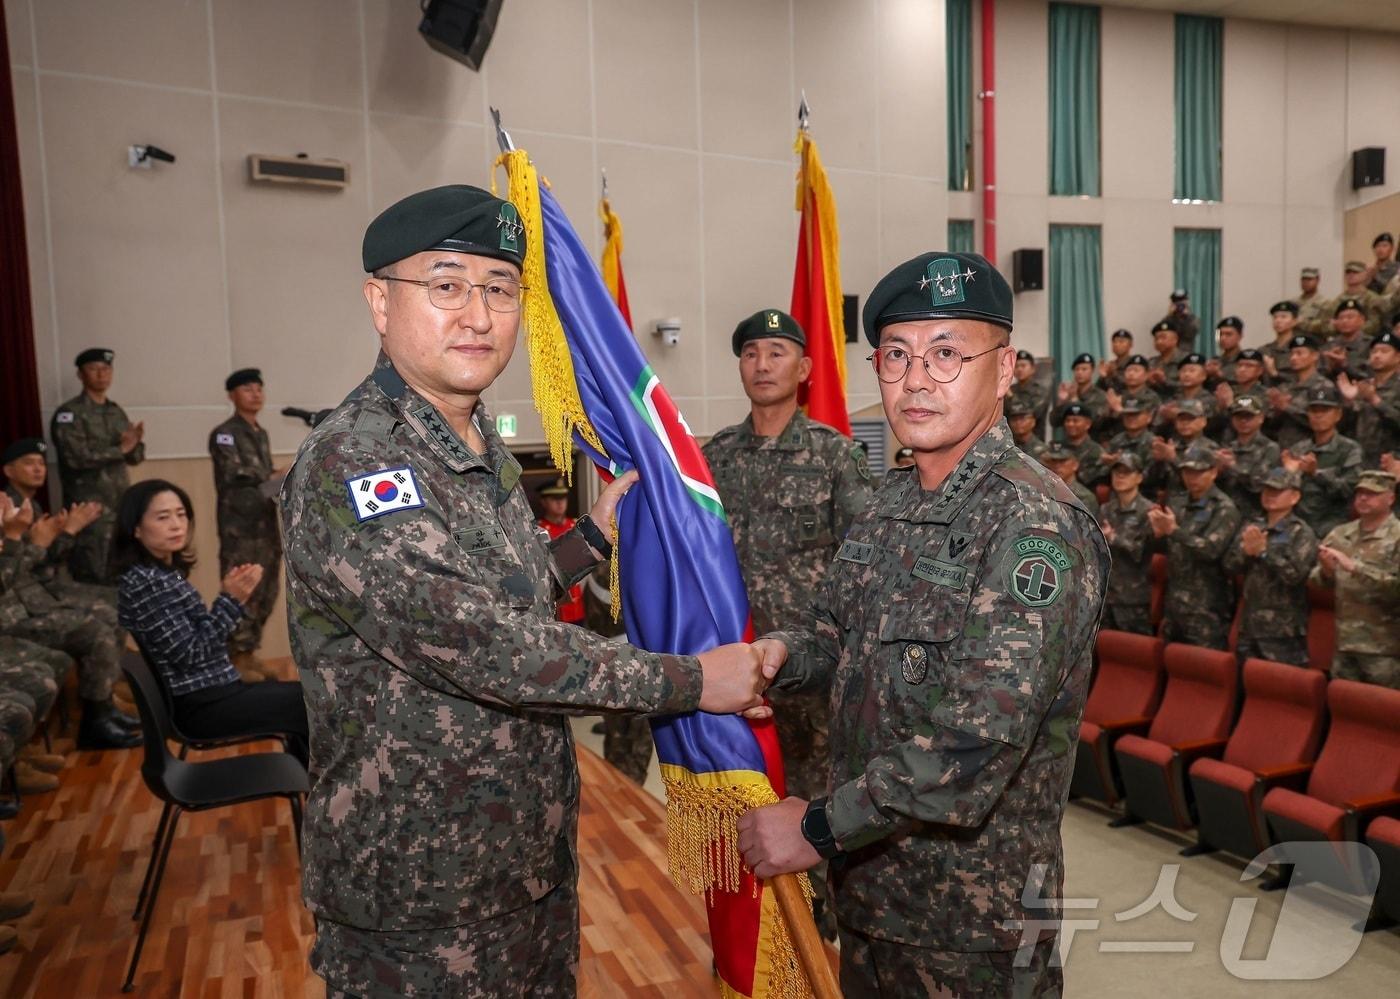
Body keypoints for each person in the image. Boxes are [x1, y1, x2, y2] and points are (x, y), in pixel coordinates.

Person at [278, 184, 771, 997]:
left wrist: (586, 542)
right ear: (379, 300)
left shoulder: (472, 441)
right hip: (420, 894)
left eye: (500, 289)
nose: (478, 314)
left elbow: (494, 592)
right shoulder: (358, 462)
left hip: (522, 864)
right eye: (445, 286)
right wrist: (693, 680)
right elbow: (485, 644)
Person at [736, 251, 1109, 997]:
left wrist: (813, 828)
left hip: (976, 923)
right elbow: (835, 635)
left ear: (1004, 371)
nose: (916, 379)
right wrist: (776, 656)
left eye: (947, 354)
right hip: (874, 894)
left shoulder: (1034, 523)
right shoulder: (888, 502)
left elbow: (973, 743)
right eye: (897, 355)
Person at [703, 307, 871, 937]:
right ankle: (755, 933)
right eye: (750, 353)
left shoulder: (836, 458)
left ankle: (824, 930)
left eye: (777, 352)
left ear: (803, 369)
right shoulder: (713, 459)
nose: (762, 364)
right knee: (740, 805)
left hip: (812, 671)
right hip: (734, 673)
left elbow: (863, 567)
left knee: (817, 802)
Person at [113, 479, 309, 766]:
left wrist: (231, 598)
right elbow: (192, 653)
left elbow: (196, 639)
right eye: (162, 517)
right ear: (136, 528)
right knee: (311, 703)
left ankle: (313, 787)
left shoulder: (159, 574)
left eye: (181, 515)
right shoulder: (147, 583)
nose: (176, 524)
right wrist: (231, 600)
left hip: (214, 692)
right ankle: (321, 793)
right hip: (202, 705)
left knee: (309, 697)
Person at [0, 491, 137, 749]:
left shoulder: (25, 507)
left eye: (40, 463)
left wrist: (53, 537)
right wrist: (29, 539)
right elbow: (17, 574)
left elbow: (35, 566)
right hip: (15, 614)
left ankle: (103, 707)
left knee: (114, 609)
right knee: (94, 631)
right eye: (29, 463)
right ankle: (95, 719)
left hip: (32, 599)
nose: (38, 469)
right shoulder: (13, 517)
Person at [208, 368, 283, 683]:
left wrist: (275, 476)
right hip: (239, 528)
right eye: (247, 389)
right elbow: (234, 471)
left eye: (259, 389)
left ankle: (248, 652)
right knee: (242, 590)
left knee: (266, 591)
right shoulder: (225, 433)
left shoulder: (260, 433)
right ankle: (232, 658)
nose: (255, 394)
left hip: (264, 524)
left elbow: (262, 477)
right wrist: (270, 475)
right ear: (232, 395)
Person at [50, 348, 145, 583]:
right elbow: (75, 458)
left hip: (120, 508)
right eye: (94, 369)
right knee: (93, 578)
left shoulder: (115, 412)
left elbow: (135, 457)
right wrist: (120, 450)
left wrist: (133, 444)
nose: (101, 375)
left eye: (106, 369)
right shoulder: (69, 414)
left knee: (124, 576)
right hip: (90, 513)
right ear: (81, 375)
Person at [1310, 471, 1400, 688]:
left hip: (1385, 649)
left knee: (1382, 715)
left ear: (1391, 498)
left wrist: (1356, 568)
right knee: (1345, 710)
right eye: (1360, 493)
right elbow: (1315, 580)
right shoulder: (1341, 533)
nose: (1363, 498)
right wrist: (1327, 572)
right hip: (1345, 643)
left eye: (1372, 493)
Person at [1149, 443, 1241, 651]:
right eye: (1188, 472)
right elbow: (1170, 547)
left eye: (1199, 472)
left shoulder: (1224, 508)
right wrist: (1159, 535)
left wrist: (1174, 531)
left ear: (1214, 472)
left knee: (1203, 668)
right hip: (1175, 602)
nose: (1192, 478)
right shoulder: (1179, 502)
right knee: (1173, 669)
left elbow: (1211, 550)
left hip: (1206, 606)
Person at [1223, 467, 1317, 667]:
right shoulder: (1253, 526)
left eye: (1277, 491)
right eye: (1266, 491)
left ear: (1294, 497)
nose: (1269, 496)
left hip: (1282, 630)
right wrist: (1246, 554)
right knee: (1245, 686)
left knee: (1278, 688)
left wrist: (1264, 553)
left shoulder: (1302, 532)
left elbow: (1295, 576)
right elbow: (1230, 565)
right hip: (1249, 624)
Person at [1282, 384, 1362, 540]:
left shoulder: (1349, 449)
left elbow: (1350, 490)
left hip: (1331, 525)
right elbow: (1279, 490)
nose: (1318, 416)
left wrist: (1316, 473)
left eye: (1325, 411)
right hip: (1296, 524)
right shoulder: (1298, 448)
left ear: (1338, 414)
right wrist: (1288, 474)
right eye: (1314, 411)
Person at [1099, 453, 1155, 635]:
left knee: (1133, 653)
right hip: (1107, 595)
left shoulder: (1149, 511)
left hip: (1132, 598)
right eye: (1116, 472)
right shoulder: (1106, 509)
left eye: (1126, 472)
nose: (1120, 477)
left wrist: (1113, 538)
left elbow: (1140, 551)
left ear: (1139, 477)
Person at [1339, 329, 1400, 467]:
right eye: (1374, 352)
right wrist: (1349, 402)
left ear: (1398, 357)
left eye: (1384, 351)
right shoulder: (1363, 386)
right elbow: (1343, 427)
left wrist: (1375, 401)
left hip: (1391, 462)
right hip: (1360, 460)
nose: (1377, 356)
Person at [1215, 397, 1280, 516]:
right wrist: (1217, 471)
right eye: (1239, 417)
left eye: (1249, 417)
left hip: (1254, 514)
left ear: (1261, 418)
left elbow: (1260, 485)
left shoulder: (1270, 448)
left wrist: (1233, 466)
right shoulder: (1227, 448)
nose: (1243, 421)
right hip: (1225, 512)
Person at [1265, 334, 1330, 450]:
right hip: (1283, 450)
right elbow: (1269, 425)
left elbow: (1323, 421)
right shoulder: (1284, 387)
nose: (1293, 358)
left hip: (1312, 450)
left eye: (1299, 353)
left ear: (1315, 356)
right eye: (1292, 354)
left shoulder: (1324, 386)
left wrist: (1287, 408)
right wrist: (1277, 410)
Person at [535, 478, 586, 625]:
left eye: (563, 498)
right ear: (543, 502)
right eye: (554, 499)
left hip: (578, 606)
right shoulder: (539, 531)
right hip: (553, 609)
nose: (560, 503)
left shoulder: (578, 526)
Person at [1053, 352, 1108, 428]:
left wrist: (1075, 401)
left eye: (1084, 369)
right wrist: (1061, 402)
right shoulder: (1070, 393)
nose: (1079, 372)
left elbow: (1095, 422)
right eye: (1077, 369)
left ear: (1092, 371)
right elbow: (1054, 422)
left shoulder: (1101, 395)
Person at [1009, 349, 1049, 435]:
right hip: (1012, 441)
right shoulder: (1010, 389)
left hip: (1034, 442)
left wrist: (1011, 397)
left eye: (1023, 366)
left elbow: (1031, 414)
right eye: (1016, 366)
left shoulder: (1040, 391)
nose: (1019, 369)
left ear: (1033, 369)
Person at [1259, 301, 1299, 381]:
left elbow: (1305, 379)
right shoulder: (1264, 350)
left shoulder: (1299, 350)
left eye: (1283, 317)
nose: (1278, 320)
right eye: (1275, 317)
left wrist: (1275, 373)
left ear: (1294, 321)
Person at [1147, 321, 1184, 393]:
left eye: (1163, 338)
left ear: (1175, 339)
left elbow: (1190, 387)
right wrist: (1148, 380)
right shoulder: (1151, 362)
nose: (1159, 342)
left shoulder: (1185, 360)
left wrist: (1164, 381)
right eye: (1156, 339)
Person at [1207, 316, 1244, 386]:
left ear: (1240, 336)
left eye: (1228, 334)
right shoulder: (1215, 361)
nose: (1223, 338)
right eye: (1220, 334)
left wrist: (1219, 374)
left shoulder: (1246, 361)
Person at [1096, 329, 1134, 394]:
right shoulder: (1110, 365)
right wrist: (1102, 377)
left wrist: (1114, 375)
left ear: (1131, 344)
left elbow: (1132, 385)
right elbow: (1099, 390)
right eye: (1114, 342)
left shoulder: (1135, 364)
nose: (1116, 344)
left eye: (1121, 342)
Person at [1291, 267, 1327, 332]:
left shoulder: (1325, 303)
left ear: (1317, 280)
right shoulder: (1293, 303)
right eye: (1303, 279)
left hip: (1315, 339)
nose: (1306, 282)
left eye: (1309, 279)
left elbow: (1325, 325)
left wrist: (1303, 323)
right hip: (1295, 338)